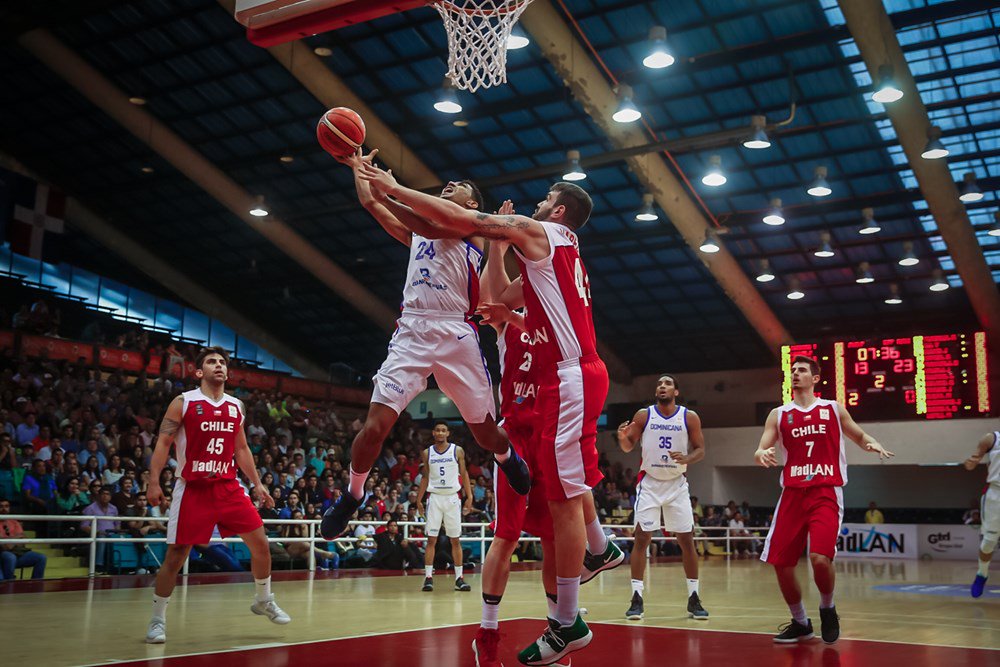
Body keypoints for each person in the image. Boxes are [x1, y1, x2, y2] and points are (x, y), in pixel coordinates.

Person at [360, 162, 608, 665]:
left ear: (559, 210)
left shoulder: (541, 231)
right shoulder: (552, 260)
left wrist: (393, 187)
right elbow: (498, 296)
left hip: (570, 377)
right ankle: (575, 583)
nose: (537, 202)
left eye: (547, 197)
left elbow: (465, 222)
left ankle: (570, 613)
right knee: (551, 507)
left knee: (564, 502)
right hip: (549, 397)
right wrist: (501, 279)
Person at [319, 149, 531, 541]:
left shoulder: (470, 229)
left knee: (486, 435)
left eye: (460, 186)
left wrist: (390, 189)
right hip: (412, 330)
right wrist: (358, 169)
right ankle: (353, 494)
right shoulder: (418, 231)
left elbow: (433, 225)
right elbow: (371, 204)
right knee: (375, 427)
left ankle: (505, 456)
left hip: (455, 333)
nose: (449, 184)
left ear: (471, 204)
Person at [144, 347, 290, 644]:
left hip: (228, 485)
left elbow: (241, 448)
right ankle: (157, 620)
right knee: (176, 555)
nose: (219, 365)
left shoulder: (236, 406)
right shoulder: (183, 402)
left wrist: (257, 484)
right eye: (212, 362)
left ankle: (263, 600)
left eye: (222, 362)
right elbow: (163, 442)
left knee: (261, 544)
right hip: (193, 487)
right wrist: (154, 482)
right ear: (199, 372)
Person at [754, 355, 893, 644]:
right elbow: (762, 446)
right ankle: (800, 622)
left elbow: (859, 435)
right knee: (781, 564)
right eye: (793, 370)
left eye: (802, 370)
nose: (795, 373)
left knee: (819, 559)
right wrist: (761, 453)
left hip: (825, 491)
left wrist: (873, 443)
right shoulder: (779, 414)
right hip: (792, 494)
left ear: (815, 379)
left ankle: (827, 608)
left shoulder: (832, 408)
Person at [469, 293, 557, 667]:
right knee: (506, 535)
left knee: (555, 539)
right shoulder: (509, 319)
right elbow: (494, 292)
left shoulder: (561, 317)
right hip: (516, 438)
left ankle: (558, 632)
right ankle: (487, 634)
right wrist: (502, 248)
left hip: (549, 437)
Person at [615, 374, 709, 621]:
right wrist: (622, 438)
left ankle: (694, 597)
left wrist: (687, 458)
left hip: (677, 484)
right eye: (659, 384)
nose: (662, 386)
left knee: (686, 540)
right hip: (650, 483)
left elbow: (700, 449)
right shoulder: (644, 415)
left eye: (667, 384)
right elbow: (628, 446)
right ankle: (636, 598)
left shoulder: (689, 417)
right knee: (642, 538)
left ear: (676, 392)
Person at [414, 422, 473, 592]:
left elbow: (464, 474)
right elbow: (425, 477)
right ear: (433, 433)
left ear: (448, 433)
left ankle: (459, 578)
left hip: (452, 497)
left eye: (443, 430)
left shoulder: (457, 450)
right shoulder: (427, 453)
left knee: (455, 540)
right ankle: (428, 578)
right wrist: (419, 500)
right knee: (431, 539)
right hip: (434, 498)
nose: (440, 433)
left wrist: (469, 496)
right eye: (438, 430)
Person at [963, 430, 999, 598]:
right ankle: (982, 574)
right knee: (989, 542)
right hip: (996, 495)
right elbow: (973, 460)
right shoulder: (992, 438)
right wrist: (971, 463)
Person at [0, 498, 47, 579]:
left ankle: (36, 584)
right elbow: (5, 547)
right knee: (10, 557)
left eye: (7, 506)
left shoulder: (14, 522)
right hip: (2, 554)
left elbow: (23, 541)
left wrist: (10, 541)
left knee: (41, 558)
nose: (4, 509)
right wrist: (17, 537)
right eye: (1, 506)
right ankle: (9, 583)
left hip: (18, 553)